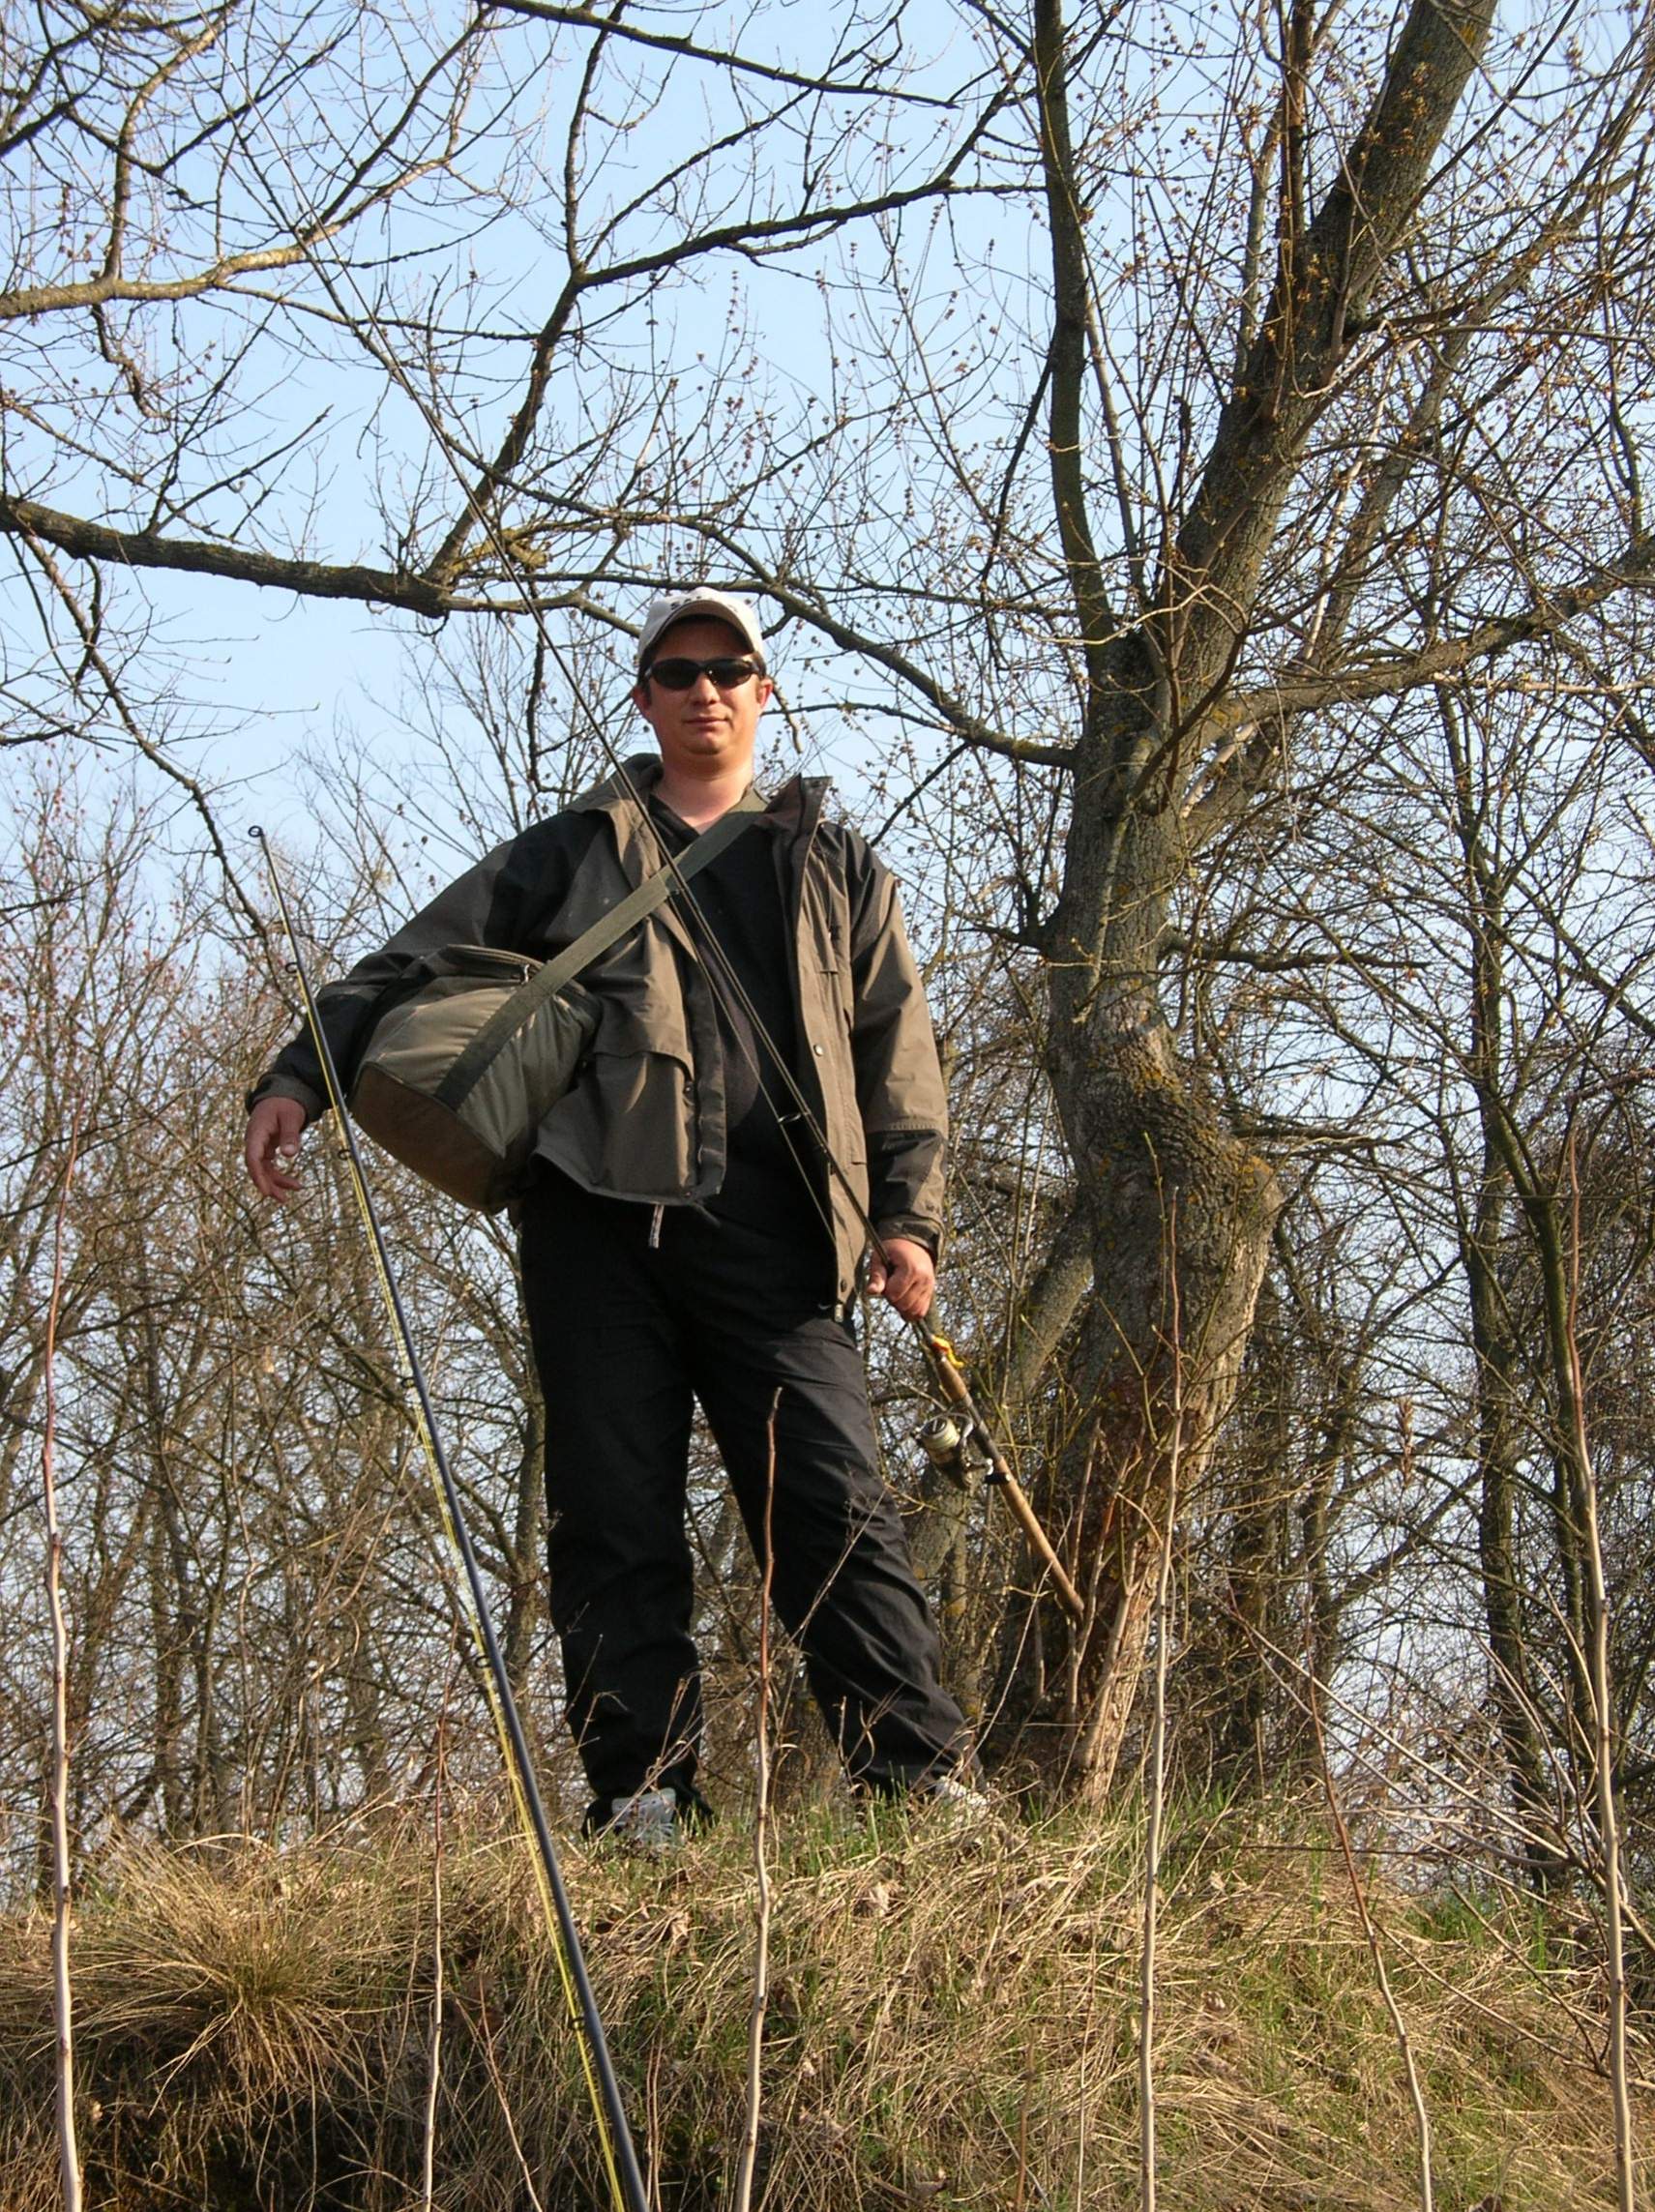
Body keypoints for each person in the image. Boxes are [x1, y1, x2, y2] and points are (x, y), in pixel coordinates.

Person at [246, 587, 976, 1845]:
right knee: (613, 1515)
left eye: (727, 668)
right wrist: (297, 1078)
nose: (705, 691)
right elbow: (407, 964)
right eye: (677, 671)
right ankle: (645, 1795)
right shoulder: (569, 852)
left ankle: (916, 1782)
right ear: (644, 699)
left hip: (784, 1243)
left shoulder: (836, 867)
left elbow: (897, 1058)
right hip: (595, 1231)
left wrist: (907, 1222)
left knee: (833, 1506)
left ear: (763, 692)